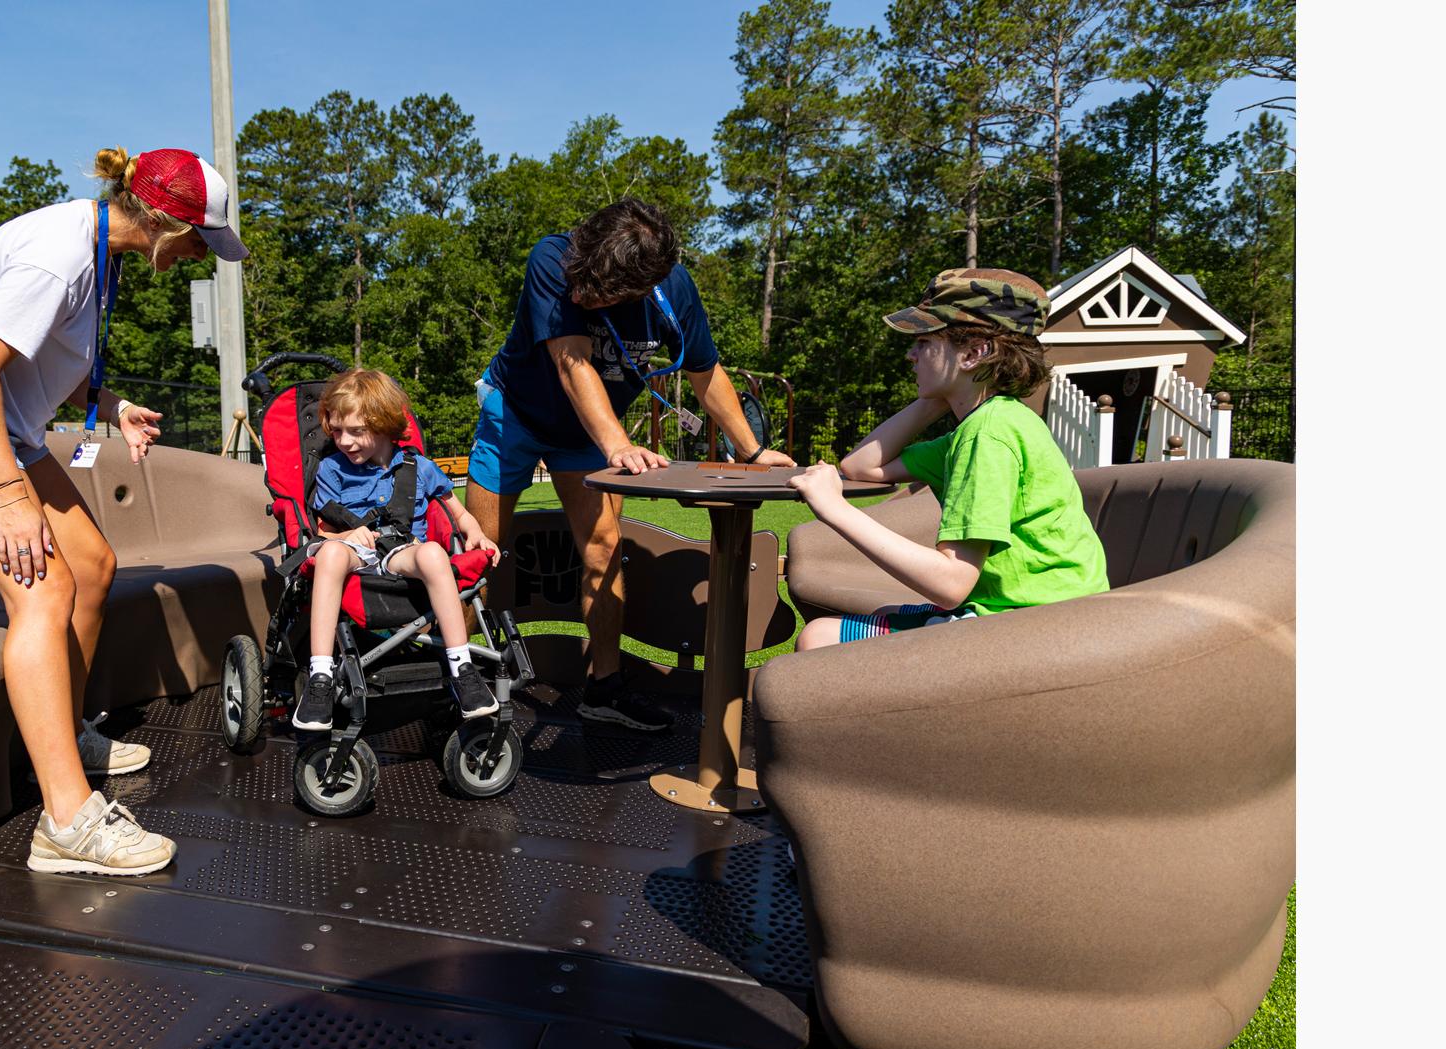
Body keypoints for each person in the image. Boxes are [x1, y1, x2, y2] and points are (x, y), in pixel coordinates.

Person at [0, 145, 248, 875]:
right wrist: (10, 499)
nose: (199, 260)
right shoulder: (60, 256)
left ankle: (62, 736)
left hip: (2, 425)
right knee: (43, 588)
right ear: (170, 227)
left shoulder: (97, 253)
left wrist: (110, 406)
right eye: (201, 244)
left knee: (91, 564)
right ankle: (66, 821)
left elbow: (47, 357)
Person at [466, 197, 795, 733]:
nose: (578, 294)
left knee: (603, 551)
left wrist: (752, 449)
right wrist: (618, 444)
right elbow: (572, 362)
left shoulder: (675, 292)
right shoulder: (554, 257)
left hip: (586, 435)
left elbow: (706, 374)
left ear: (646, 285)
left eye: (597, 292)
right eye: (582, 279)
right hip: (516, 417)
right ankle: (454, 679)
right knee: (477, 555)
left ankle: (605, 687)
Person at [786, 268, 1109, 648]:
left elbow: (951, 584)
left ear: (974, 352)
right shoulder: (990, 424)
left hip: (1037, 629)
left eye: (924, 342)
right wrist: (935, 399)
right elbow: (861, 466)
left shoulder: (988, 435)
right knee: (871, 620)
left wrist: (834, 509)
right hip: (1034, 613)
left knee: (819, 638)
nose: (911, 355)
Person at [294, 369, 503, 731]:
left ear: (385, 425)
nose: (345, 441)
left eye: (357, 431)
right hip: (352, 557)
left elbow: (459, 513)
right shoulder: (331, 469)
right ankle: (321, 676)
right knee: (328, 553)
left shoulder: (418, 468)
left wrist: (476, 534)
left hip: (401, 553)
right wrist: (347, 537)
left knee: (435, 553)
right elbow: (321, 536)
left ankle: (462, 668)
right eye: (338, 431)